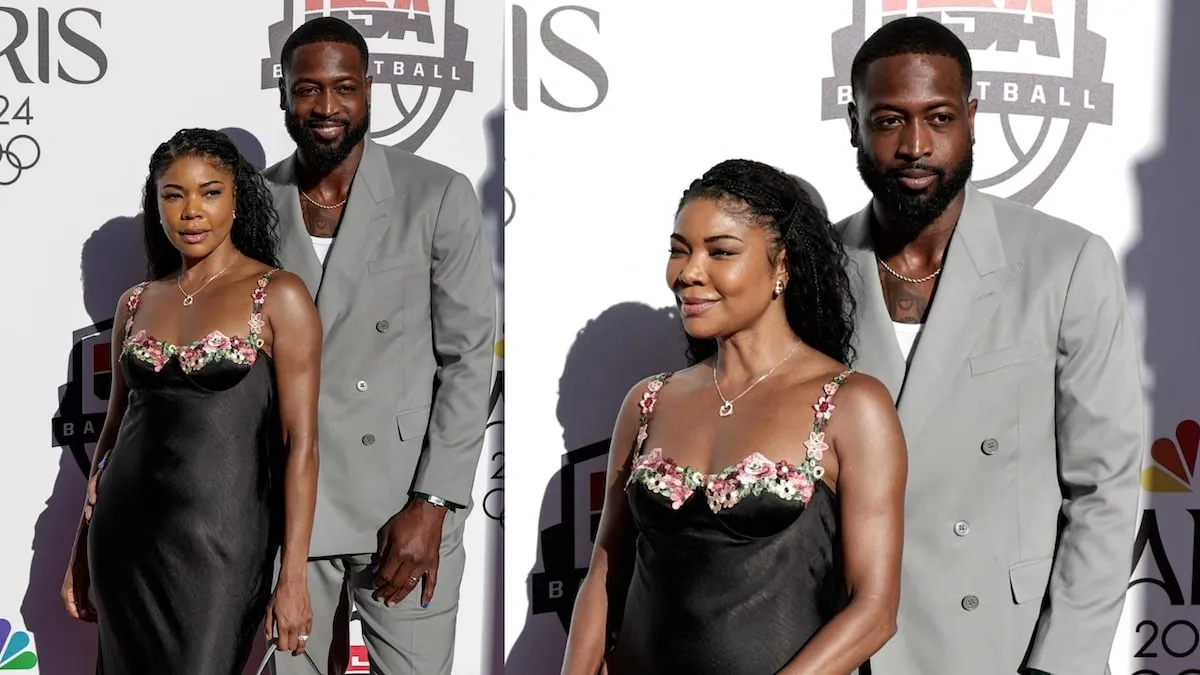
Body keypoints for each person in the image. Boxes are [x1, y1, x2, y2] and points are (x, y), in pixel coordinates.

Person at [837, 16, 1145, 675]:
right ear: (854, 123)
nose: (916, 145)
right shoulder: (814, 271)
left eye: (940, 117)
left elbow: (1106, 488)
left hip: (1002, 648)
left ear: (972, 118)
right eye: (889, 119)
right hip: (849, 649)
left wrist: (1057, 665)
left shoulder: (1065, 263)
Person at [561, 158, 908, 674]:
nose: (688, 273)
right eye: (679, 251)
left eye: (720, 252)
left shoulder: (851, 405)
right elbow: (605, 575)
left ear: (782, 265)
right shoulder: (648, 401)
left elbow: (874, 611)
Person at [263, 17, 496, 675]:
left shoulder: (435, 195)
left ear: (370, 90)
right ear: (283, 94)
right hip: (290, 511)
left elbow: (469, 359)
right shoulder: (254, 203)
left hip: (404, 508)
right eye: (308, 89)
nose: (327, 107)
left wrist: (435, 502)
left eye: (344, 87)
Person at [59, 128, 323, 674]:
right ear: (156, 206)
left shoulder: (278, 295)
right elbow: (110, 437)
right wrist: (79, 549)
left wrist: (292, 575)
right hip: (124, 538)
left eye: (209, 192)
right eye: (173, 195)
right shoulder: (135, 303)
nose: (191, 211)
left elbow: (302, 446)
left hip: (221, 545)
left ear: (237, 199)